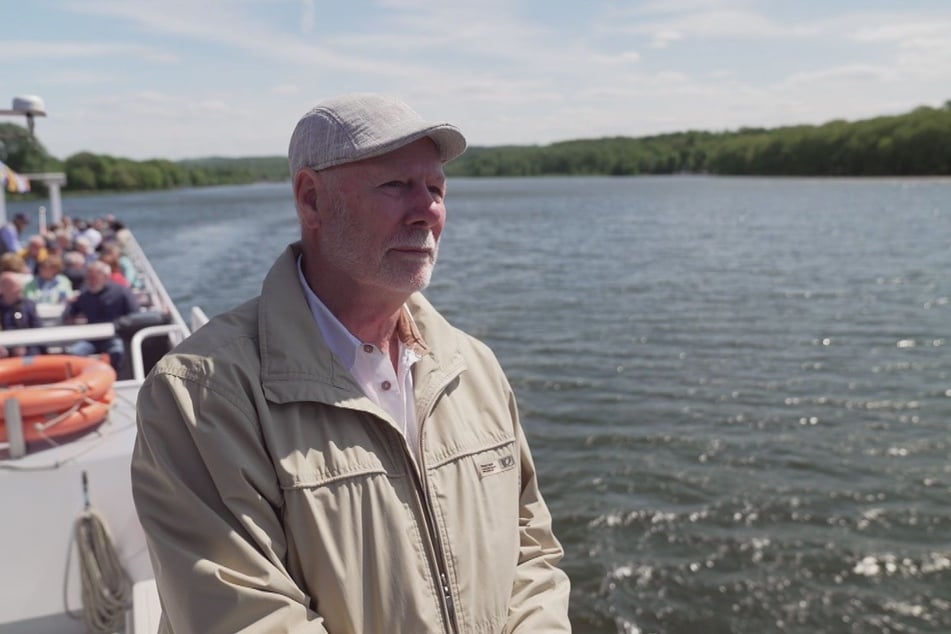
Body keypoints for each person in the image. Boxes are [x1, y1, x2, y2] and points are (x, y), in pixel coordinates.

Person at [131, 93, 571, 633]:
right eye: (396, 186)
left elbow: (531, 550)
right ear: (311, 200)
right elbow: (246, 619)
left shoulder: (472, 367)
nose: (427, 210)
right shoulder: (201, 395)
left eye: (436, 188)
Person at [63, 260, 139, 369]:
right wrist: (69, 312)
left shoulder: (121, 292)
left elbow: (134, 315)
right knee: (73, 354)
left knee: (118, 352)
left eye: (94, 277)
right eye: (88, 277)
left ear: (106, 277)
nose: (90, 280)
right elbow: (72, 310)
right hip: (92, 339)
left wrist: (117, 325)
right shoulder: (85, 294)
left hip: (115, 336)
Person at [0, 271, 43, 357]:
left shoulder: (28, 306)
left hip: (27, 349)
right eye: (13, 287)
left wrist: (26, 347)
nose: (19, 290)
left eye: (19, 287)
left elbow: (38, 330)